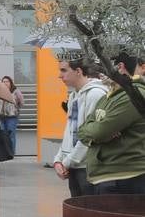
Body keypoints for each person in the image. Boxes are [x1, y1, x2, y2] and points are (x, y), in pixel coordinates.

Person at [77, 53, 145, 194]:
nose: (98, 73)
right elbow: (82, 130)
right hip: (109, 176)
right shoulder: (110, 95)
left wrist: (95, 132)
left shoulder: (132, 94)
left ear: (119, 67)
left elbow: (98, 132)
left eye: (101, 68)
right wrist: (94, 132)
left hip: (124, 177)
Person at [53, 59, 109, 198]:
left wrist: (66, 162)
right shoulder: (74, 95)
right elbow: (70, 130)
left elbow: (89, 134)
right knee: (78, 214)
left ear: (78, 71)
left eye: (64, 70)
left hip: (89, 167)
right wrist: (58, 159)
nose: (60, 76)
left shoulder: (95, 94)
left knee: (89, 214)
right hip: (74, 165)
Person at [0, 76, 23, 156]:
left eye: (7, 81)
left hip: (12, 117)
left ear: (11, 82)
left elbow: (22, 102)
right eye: (3, 81)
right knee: (3, 135)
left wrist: (15, 108)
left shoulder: (15, 91)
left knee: (11, 135)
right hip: (1, 116)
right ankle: (4, 152)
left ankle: (11, 153)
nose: (5, 83)